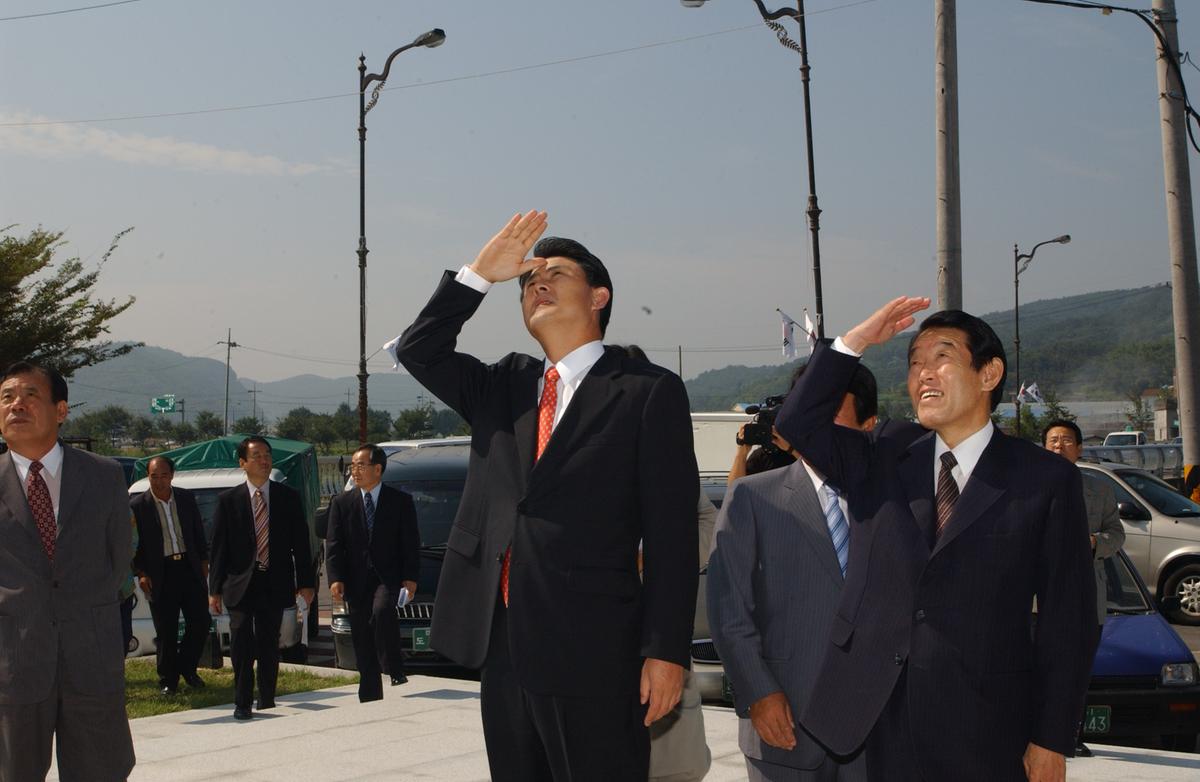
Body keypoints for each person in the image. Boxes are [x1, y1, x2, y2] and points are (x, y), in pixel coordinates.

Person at [393, 211, 699, 782]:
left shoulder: (646, 391)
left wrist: (666, 651)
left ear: (599, 295)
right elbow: (420, 350)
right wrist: (479, 275)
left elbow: (671, 534)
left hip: (596, 645)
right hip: (503, 642)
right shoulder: (503, 386)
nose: (537, 285)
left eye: (555, 273)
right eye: (527, 282)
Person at [774, 298, 1097, 782]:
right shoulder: (882, 455)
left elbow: (1066, 618)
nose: (923, 372)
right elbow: (794, 424)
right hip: (879, 717)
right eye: (914, 363)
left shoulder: (1044, 479)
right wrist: (853, 342)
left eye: (941, 358)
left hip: (989, 725)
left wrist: (1051, 738)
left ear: (988, 374)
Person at [708, 362, 878, 782]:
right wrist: (758, 691)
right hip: (783, 726)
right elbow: (729, 610)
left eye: (831, 411)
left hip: (875, 735)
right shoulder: (753, 496)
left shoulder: (895, 503)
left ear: (869, 426)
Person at [0, 360, 135, 782]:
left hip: (91, 657)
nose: (16, 404)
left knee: (100, 771)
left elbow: (119, 560)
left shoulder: (104, 476)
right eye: (6, 397)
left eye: (30, 395)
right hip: (12, 662)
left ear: (61, 410)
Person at [208, 435, 315, 721]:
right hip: (240, 584)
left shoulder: (287, 497)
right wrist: (214, 590)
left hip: (274, 581)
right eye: (256, 456)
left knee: (269, 642)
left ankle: (266, 697)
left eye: (267, 454)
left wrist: (306, 583)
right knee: (241, 641)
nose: (264, 460)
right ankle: (242, 701)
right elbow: (219, 548)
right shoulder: (228, 501)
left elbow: (301, 544)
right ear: (242, 463)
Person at [1042, 418, 1125, 757]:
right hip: (1038, 598)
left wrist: (1094, 542)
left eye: (1065, 440)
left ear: (1079, 447)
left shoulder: (1099, 488)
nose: (1058, 446)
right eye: (1052, 441)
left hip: (1087, 595)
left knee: (1077, 670)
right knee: (1037, 669)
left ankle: (1070, 737)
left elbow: (1117, 535)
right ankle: (1034, 736)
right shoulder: (1027, 485)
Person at [325, 443, 420, 702]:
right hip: (355, 580)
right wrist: (335, 578)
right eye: (352, 466)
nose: (354, 471)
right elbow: (334, 544)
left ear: (378, 469)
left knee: (382, 611)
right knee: (361, 634)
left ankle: (394, 666)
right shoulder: (342, 503)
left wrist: (410, 577)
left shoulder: (400, 501)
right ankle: (369, 693)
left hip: (387, 577)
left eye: (360, 465)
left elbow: (410, 543)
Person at [131, 455, 211, 695]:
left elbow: (198, 531)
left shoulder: (185, 498)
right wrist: (141, 573)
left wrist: (204, 561)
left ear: (172, 475)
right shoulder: (138, 506)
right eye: (153, 476)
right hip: (160, 573)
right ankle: (168, 679)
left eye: (163, 475)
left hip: (188, 567)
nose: (159, 481)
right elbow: (133, 545)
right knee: (165, 629)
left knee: (201, 622)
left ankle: (188, 668)